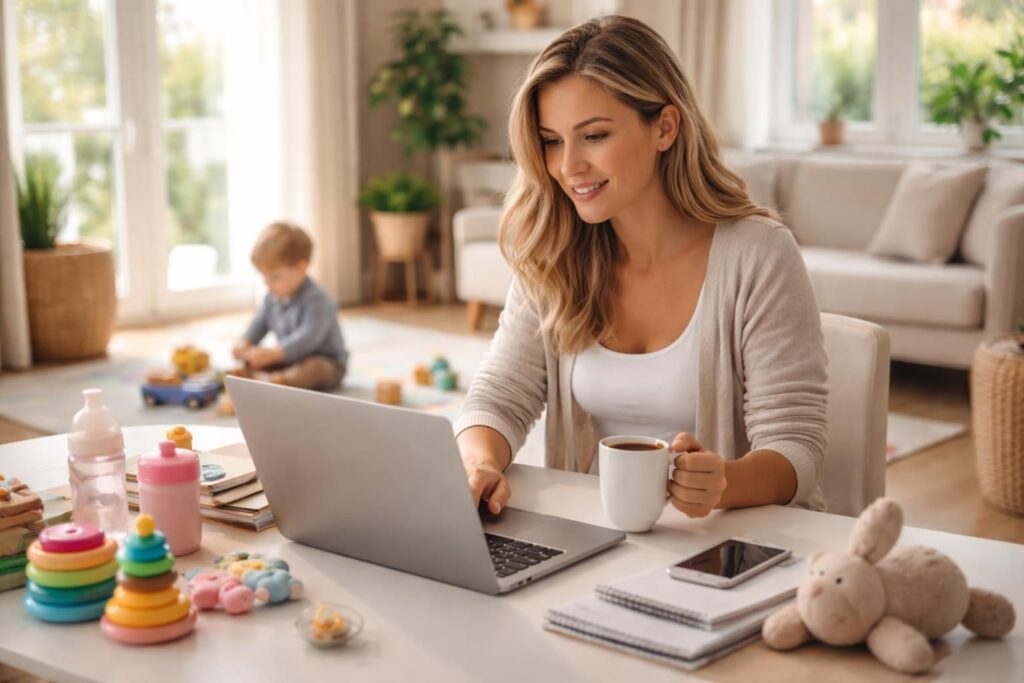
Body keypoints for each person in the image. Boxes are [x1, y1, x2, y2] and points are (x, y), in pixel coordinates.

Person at [453, 16, 828, 519]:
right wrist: (479, 462)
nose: (568, 167)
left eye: (594, 136)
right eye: (552, 141)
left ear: (665, 128)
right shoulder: (556, 249)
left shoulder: (758, 255)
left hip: (730, 544)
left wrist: (724, 482)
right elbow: (500, 395)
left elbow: (796, 447)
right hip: (598, 541)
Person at [232, 221, 348, 391]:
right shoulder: (272, 297)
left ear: (300, 268)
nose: (268, 284)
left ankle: (278, 382)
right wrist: (246, 342)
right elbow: (259, 324)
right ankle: (272, 379)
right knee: (255, 357)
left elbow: (307, 339)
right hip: (289, 360)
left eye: (275, 277)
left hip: (325, 362)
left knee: (313, 368)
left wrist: (274, 354)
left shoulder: (318, 300)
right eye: (264, 278)